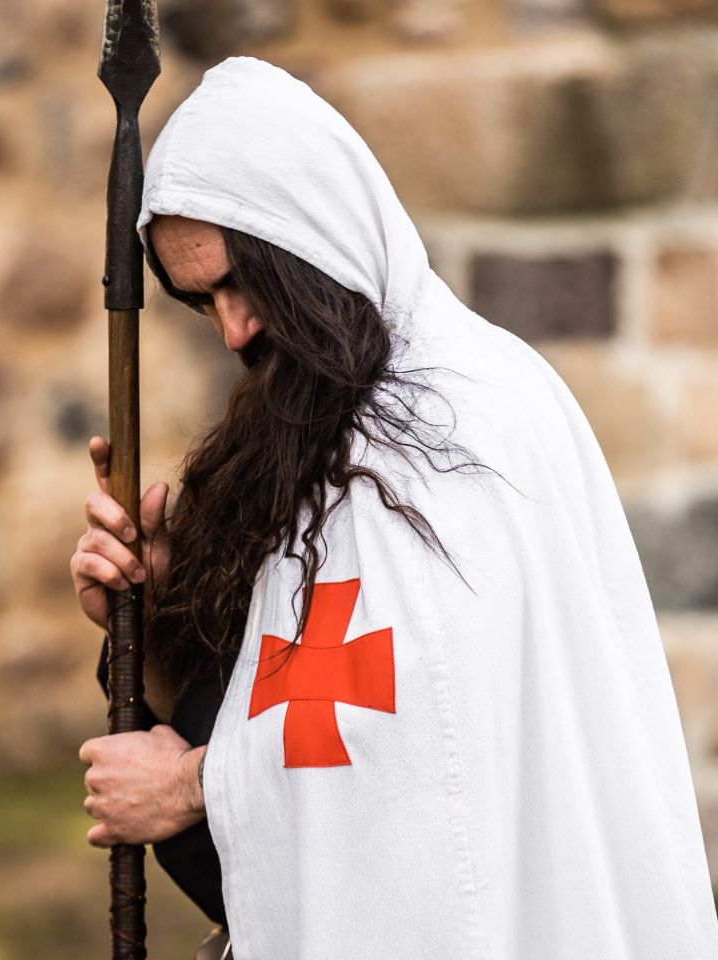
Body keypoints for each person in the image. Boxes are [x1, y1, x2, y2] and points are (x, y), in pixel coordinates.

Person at [71, 56, 718, 959]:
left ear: (311, 241)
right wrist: (165, 601)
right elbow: (324, 684)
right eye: (201, 302)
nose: (233, 331)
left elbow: (425, 741)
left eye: (241, 283)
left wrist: (190, 788)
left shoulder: (441, 428)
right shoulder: (380, 404)